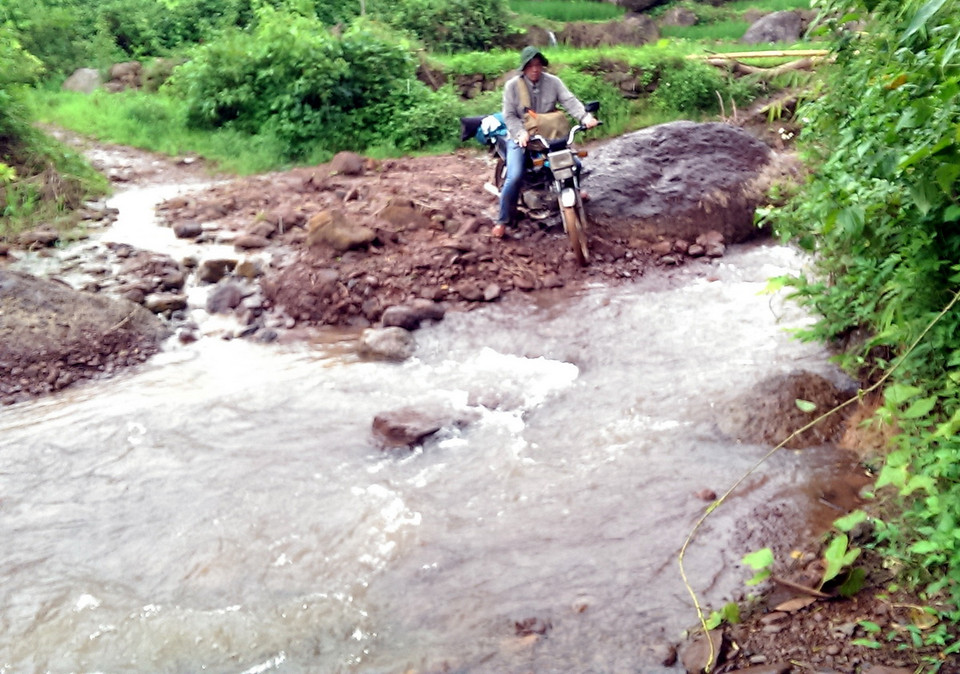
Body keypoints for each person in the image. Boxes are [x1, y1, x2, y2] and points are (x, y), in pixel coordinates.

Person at [494, 46, 599, 237]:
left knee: (574, 163)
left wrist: (585, 118)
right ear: (524, 68)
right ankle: (502, 219)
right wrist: (519, 133)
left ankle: (573, 189)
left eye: (538, 65)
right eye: (531, 65)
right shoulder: (512, 87)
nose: (535, 69)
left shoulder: (553, 82)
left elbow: (569, 101)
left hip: (547, 136)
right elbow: (508, 115)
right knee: (515, 175)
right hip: (521, 137)